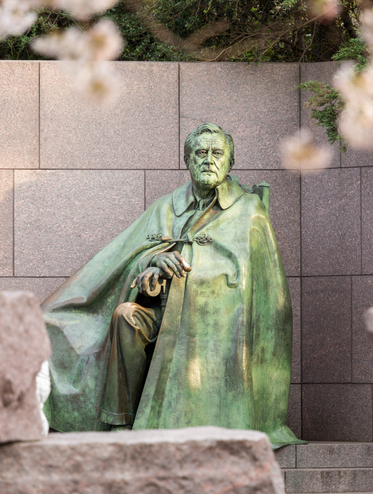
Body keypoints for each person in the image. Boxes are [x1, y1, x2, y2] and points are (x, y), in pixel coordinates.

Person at [42, 123, 303, 448]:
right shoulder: (166, 207)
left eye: (217, 153)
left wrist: (194, 277)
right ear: (187, 161)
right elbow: (129, 257)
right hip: (159, 312)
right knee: (124, 315)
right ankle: (119, 423)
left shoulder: (249, 211)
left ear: (229, 162)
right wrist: (152, 266)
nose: (208, 159)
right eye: (200, 153)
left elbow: (256, 287)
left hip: (212, 326)